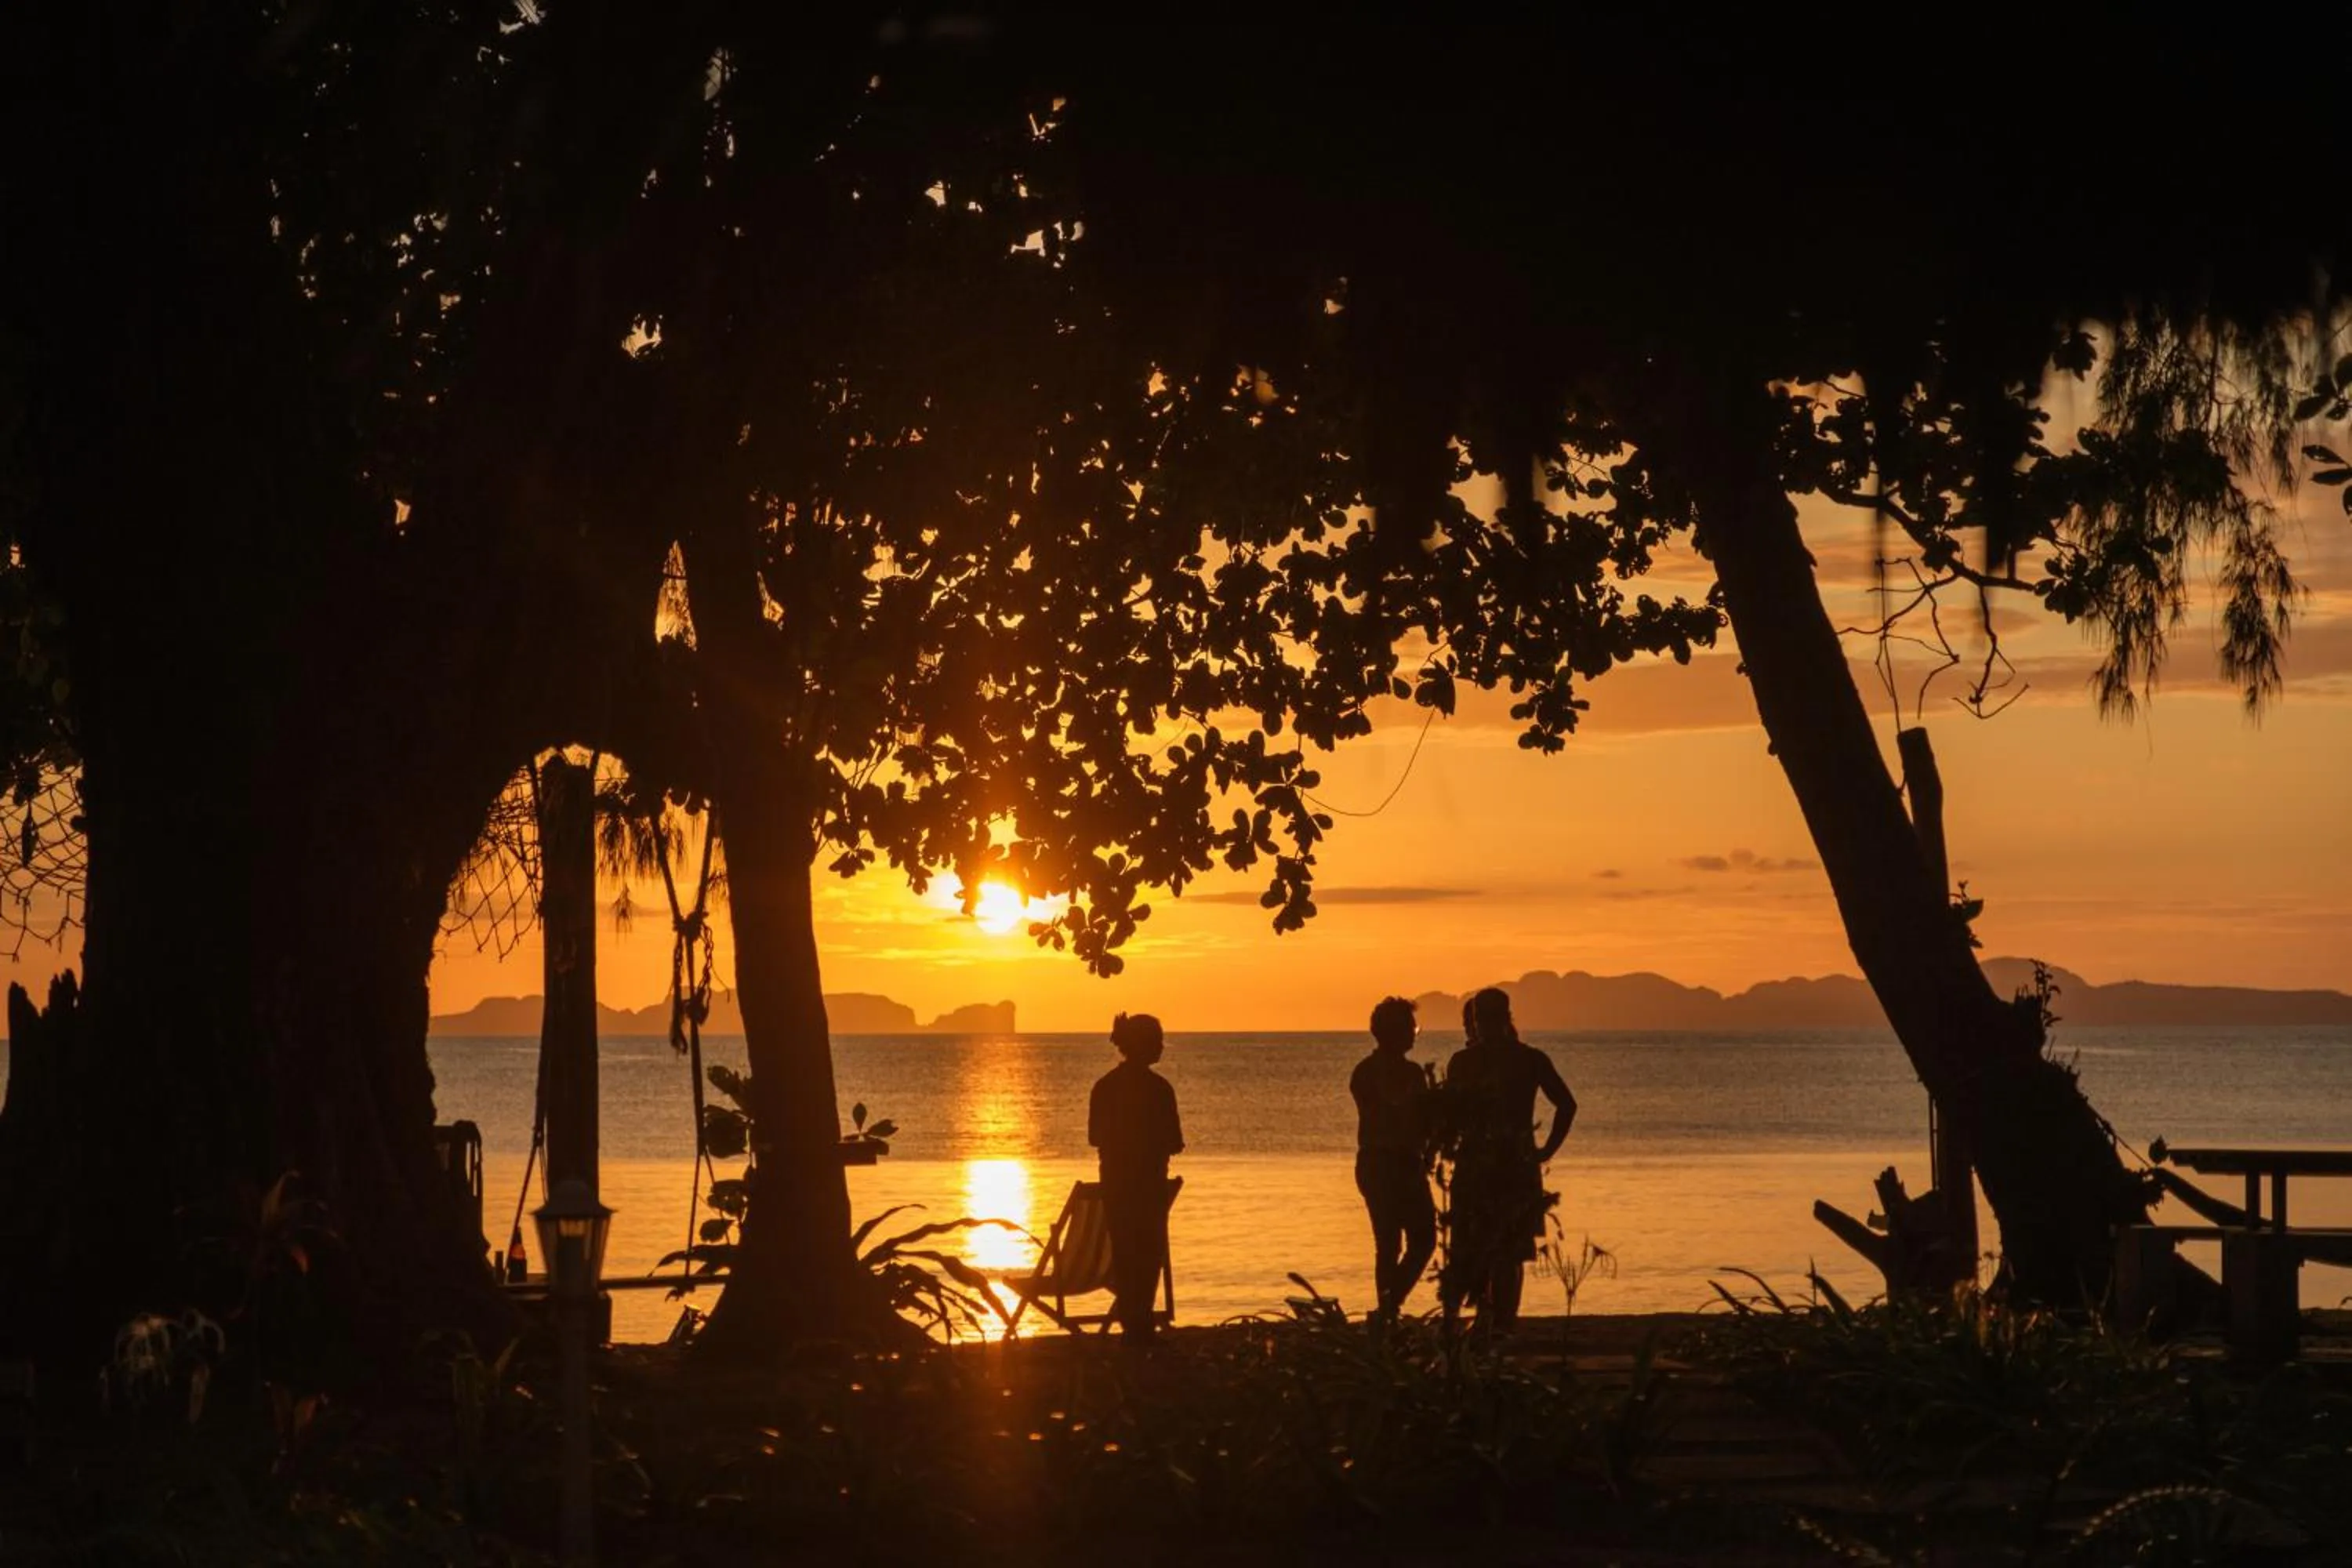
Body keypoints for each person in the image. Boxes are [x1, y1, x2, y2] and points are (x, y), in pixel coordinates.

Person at [1439, 987, 1576, 1330]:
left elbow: (1567, 1105)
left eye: (1489, 1018)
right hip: (1490, 1163)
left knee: (1506, 1247)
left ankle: (1499, 1320)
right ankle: (1492, 1318)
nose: (1485, 1025)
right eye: (1481, 1019)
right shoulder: (1474, 1062)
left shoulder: (1526, 1059)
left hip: (1509, 1163)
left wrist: (1547, 1149)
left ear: (1503, 1019)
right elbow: (1450, 1114)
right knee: (1484, 1245)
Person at [1087, 1012, 1184, 1342]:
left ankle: (1134, 1323)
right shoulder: (1159, 1090)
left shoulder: (1104, 1087)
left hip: (1116, 1188)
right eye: (1158, 1041)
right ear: (1146, 1046)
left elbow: (1095, 1137)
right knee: (1147, 1257)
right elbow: (1175, 1143)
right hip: (1149, 1188)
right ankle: (1139, 1323)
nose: (1162, 1047)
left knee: (1127, 1256)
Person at [1349, 996, 1438, 1321]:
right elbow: (1387, 1109)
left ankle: (1390, 1304)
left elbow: (1423, 1119)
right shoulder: (1367, 1072)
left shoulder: (1413, 1072)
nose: (1415, 1034)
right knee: (1389, 1243)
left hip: (1407, 1162)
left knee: (1423, 1239)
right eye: (1410, 1028)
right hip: (1381, 1163)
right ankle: (1389, 1308)